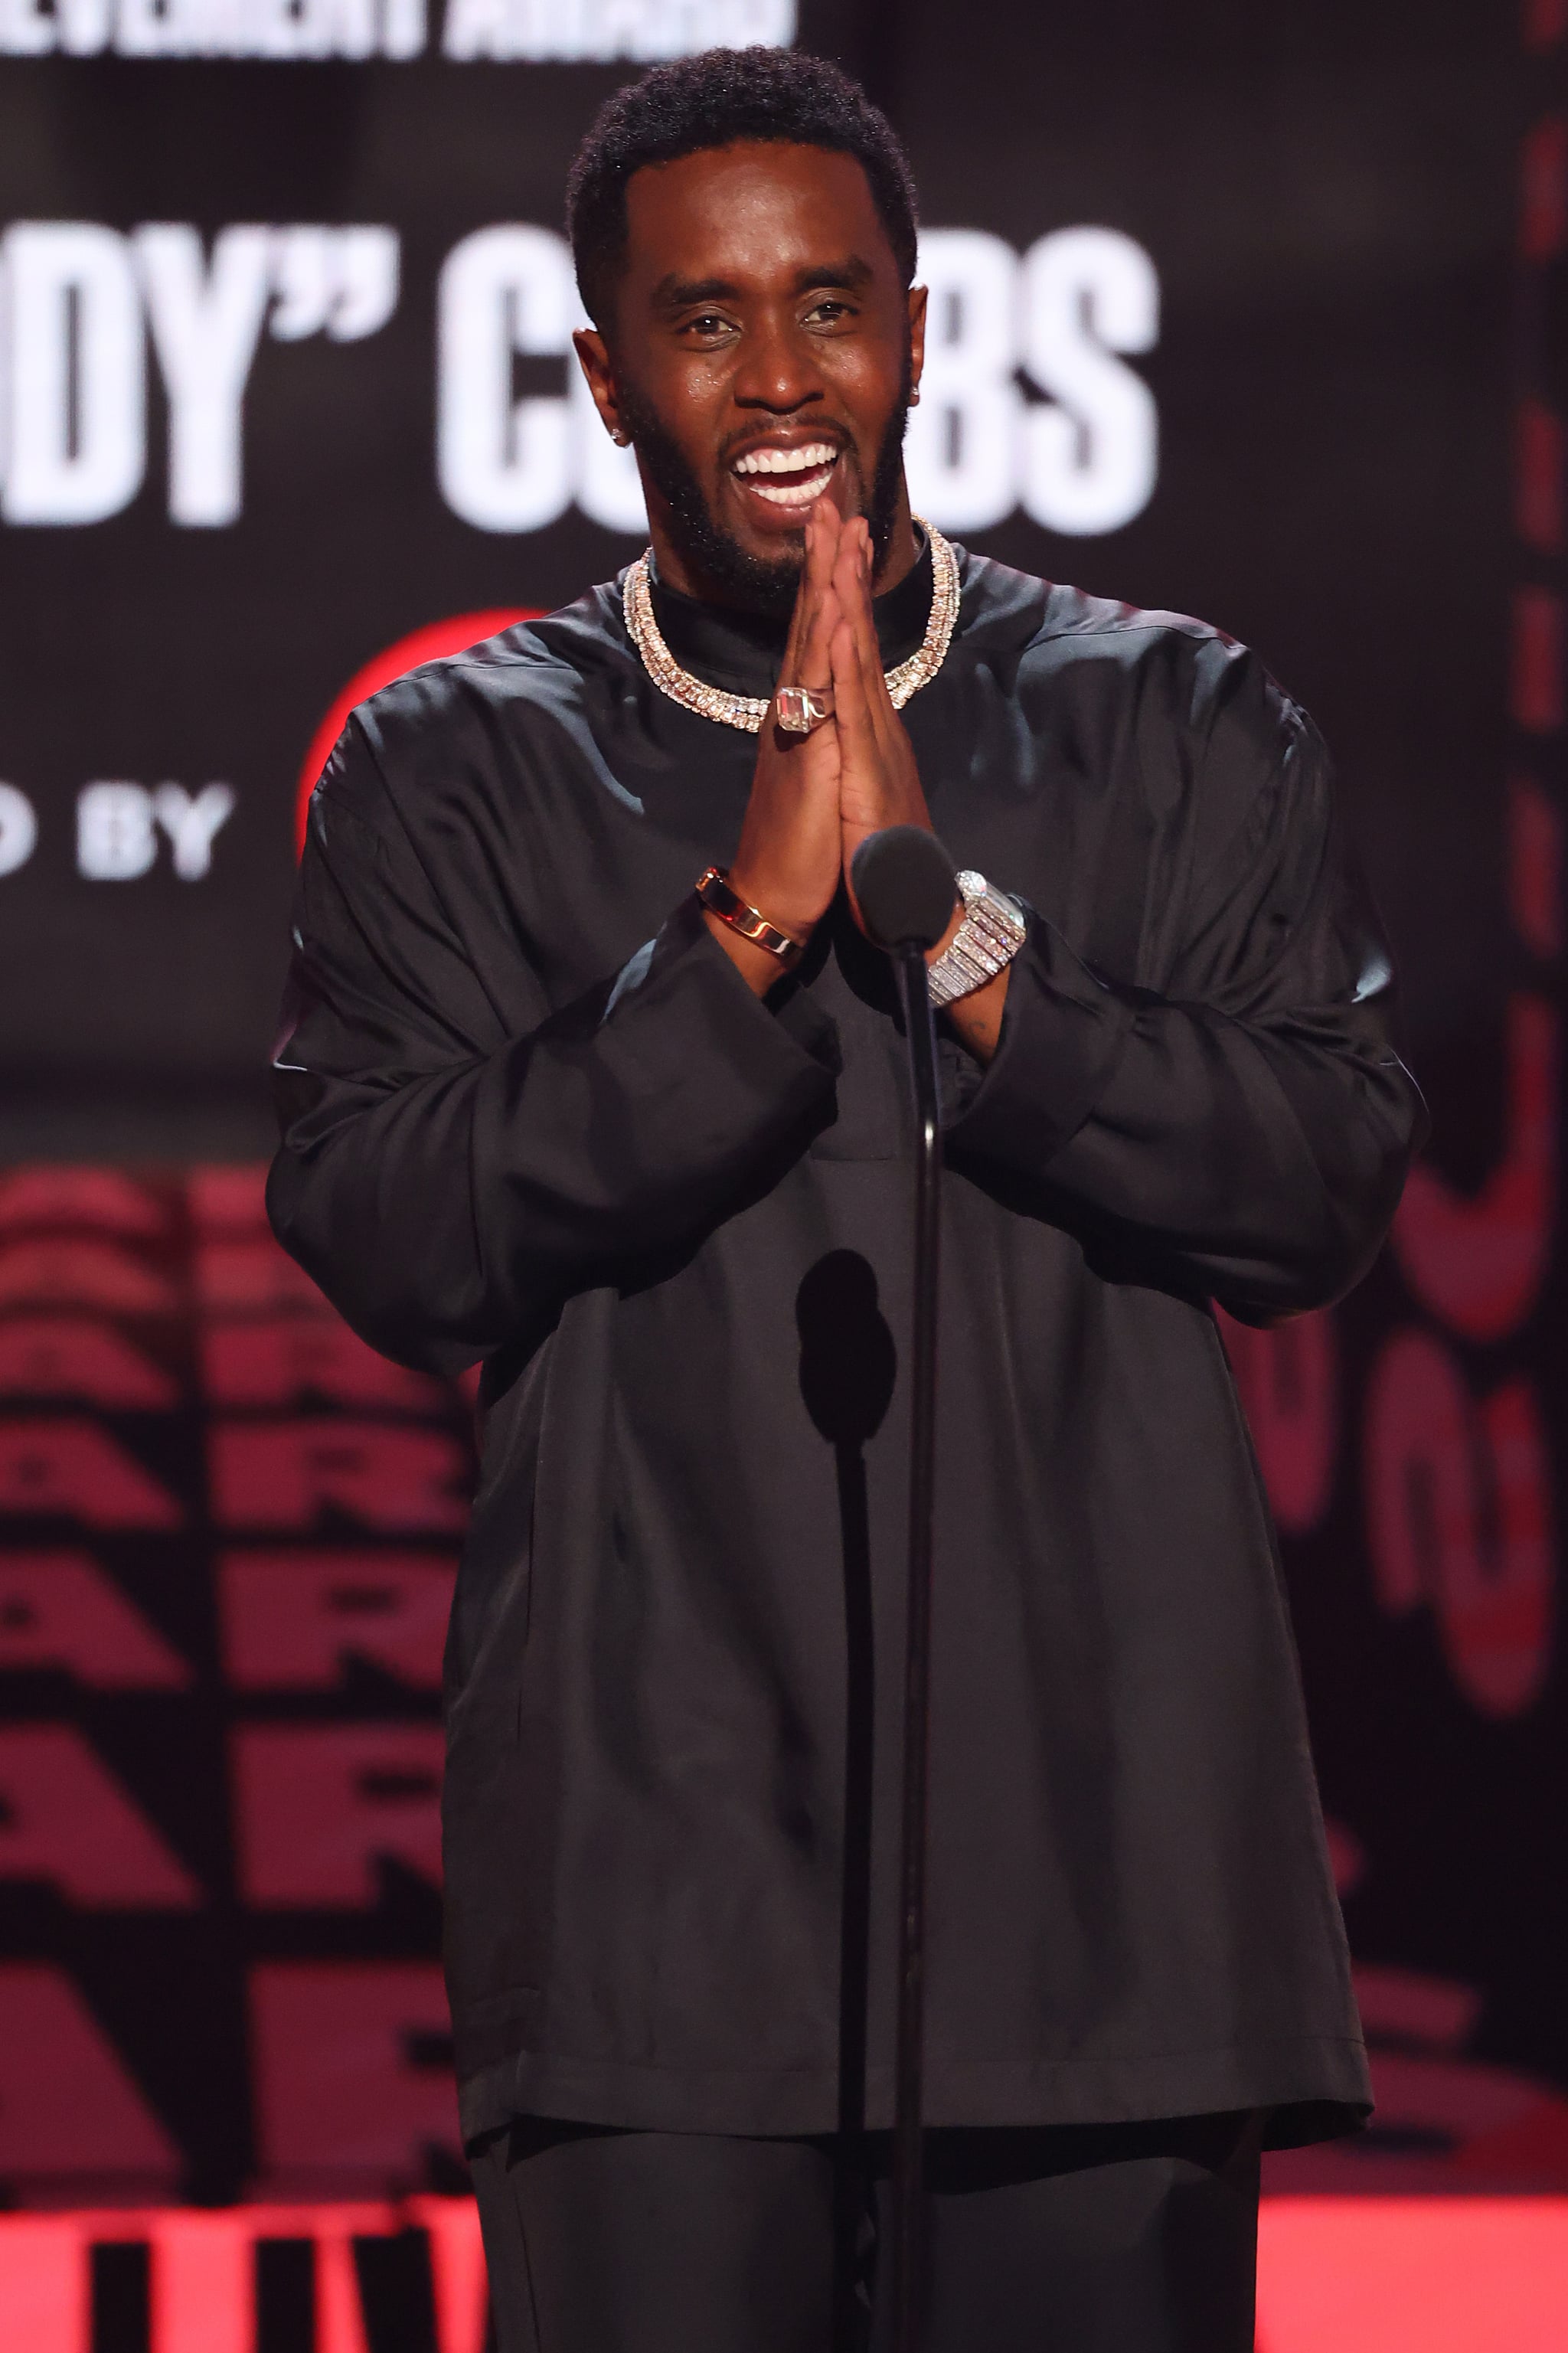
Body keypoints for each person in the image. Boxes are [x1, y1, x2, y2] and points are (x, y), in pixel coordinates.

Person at [267, 46, 1425, 2353]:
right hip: (653, 1938)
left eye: (827, 307)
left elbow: (1318, 1176)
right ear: (604, 377)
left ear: (918, 332)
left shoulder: (1179, 721)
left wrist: (962, 951)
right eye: (703, 322)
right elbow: (393, 1218)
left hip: (1107, 1920)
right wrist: (744, 938)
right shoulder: (454, 765)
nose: (778, 376)